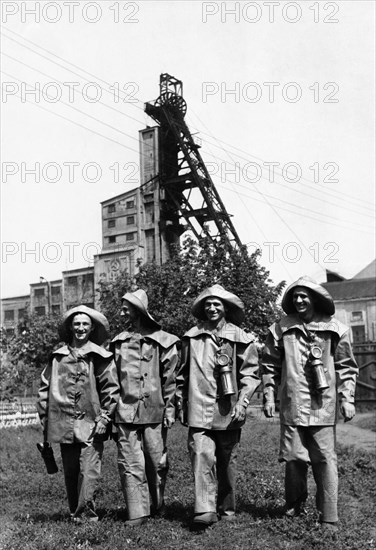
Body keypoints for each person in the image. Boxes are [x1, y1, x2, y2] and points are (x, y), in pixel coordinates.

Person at [261, 276, 358, 532]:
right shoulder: (281, 328)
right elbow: (269, 366)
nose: (299, 300)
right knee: (293, 458)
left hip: (322, 406)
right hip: (292, 404)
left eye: (304, 296)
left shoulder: (336, 329)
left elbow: (346, 367)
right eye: (295, 297)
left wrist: (347, 399)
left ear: (315, 299)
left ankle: (329, 516)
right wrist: (269, 396)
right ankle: (294, 507)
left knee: (325, 459)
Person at [176, 284, 260, 528]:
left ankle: (226, 507)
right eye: (208, 305)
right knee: (201, 455)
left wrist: (243, 402)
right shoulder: (192, 336)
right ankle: (204, 509)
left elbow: (251, 374)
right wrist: (181, 403)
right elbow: (181, 375)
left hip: (228, 410)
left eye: (217, 304)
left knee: (226, 460)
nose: (212, 308)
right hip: (199, 407)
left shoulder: (241, 337)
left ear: (226, 309)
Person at [37, 305, 119, 522]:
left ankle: (86, 517)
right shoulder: (57, 357)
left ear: (92, 328)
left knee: (88, 471)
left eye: (85, 324)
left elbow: (111, 389)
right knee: (71, 471)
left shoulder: (100, 356)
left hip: (91, 423)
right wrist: (45, 420)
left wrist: (105, 417)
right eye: (77, 324)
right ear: (70, 328)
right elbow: (44, 389)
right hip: (63, 424)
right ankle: (76, 514)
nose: (81, 328)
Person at [111, 289, 179, 526]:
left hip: (155, 410)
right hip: (125, 411)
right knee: (129, 461)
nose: (121, 312)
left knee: (156, 460)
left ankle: (156, 504)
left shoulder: (165, 341)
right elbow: (111, 380)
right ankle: (136, 511)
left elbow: (171, 378)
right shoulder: (118, 342)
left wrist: (170, 408)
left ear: (137, 310)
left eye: (125, 307)